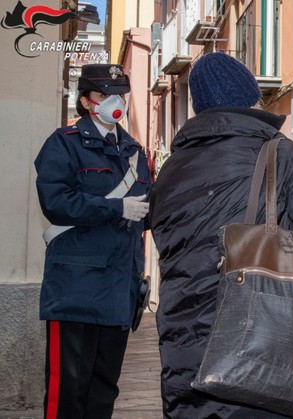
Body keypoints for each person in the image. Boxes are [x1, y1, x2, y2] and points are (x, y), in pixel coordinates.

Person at [149, 52, 293, 418]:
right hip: (259, 344)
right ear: (251, 99)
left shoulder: (171, 169)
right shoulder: (278, 153)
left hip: (183, 347)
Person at [34, 64, 151, 419]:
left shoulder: (135, 152)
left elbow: (149, 208)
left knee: (104, 390)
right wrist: (115, 207)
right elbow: (55, 202)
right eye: (105, 95)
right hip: (76, 289)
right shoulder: (63, 144)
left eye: (120, 95)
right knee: (67, 391)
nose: (116, 102)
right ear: (86, 101)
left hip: (119, 290)